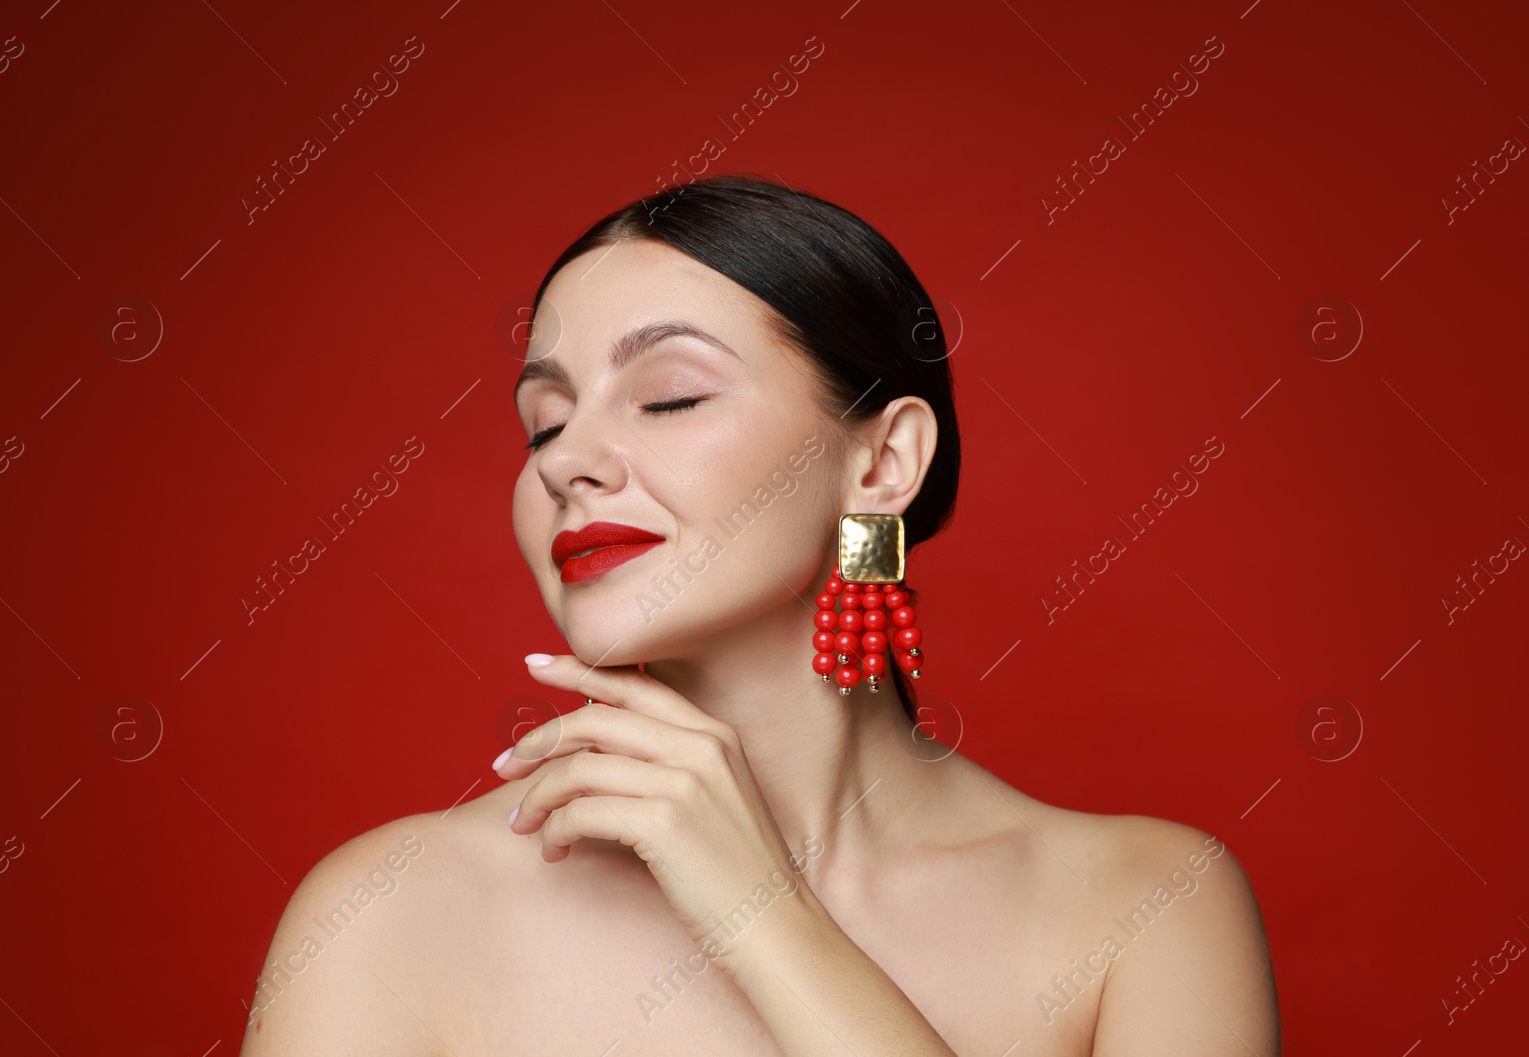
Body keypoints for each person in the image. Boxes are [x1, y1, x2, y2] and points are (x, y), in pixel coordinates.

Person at [239, 174, 1280, 1056]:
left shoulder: (1147, 907)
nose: (566, 461)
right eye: (543, 422)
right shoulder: (390, 914)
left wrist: (758, 907)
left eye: (670, 397)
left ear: (880, 461)